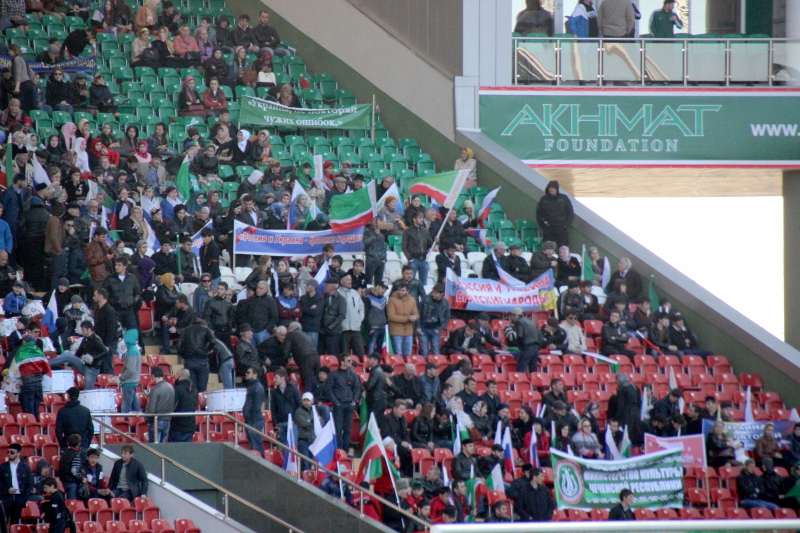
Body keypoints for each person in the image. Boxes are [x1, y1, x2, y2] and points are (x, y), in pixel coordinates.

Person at [0, 443, 32, 524]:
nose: (9, 454)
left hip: (19, 498)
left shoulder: (26, 467)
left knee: (15, 522)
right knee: (3, 522)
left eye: (12, 452)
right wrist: (7, 490)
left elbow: (29, 484)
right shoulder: (3, 467)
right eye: (8, 452)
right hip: (6, 498)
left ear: (18, 453)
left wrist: (25, 498)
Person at [55, 386, 94, 452]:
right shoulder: (86, 410)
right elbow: (91, 429)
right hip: (83, 444)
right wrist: (86, 443)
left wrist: (63, 445)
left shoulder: (62, 411)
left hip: (68, 444)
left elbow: (58, 431)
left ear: (68, 396)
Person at [535, 180, 573, 247]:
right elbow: (539, 214)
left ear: (557, 189)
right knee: (548, 248)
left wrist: (566, 225)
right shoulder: (544, 199)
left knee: (563, 247)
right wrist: (543, 226)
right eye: (550, 187)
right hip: (549, 228)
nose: (551, 189)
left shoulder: (563, 198)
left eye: (553, 188)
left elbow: (570, 212)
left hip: (561, 227)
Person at [387, 281, 419, 358]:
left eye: (403, 290)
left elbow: (416, 314)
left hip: (408, 332)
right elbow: (391, 316)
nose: (400, 292)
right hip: (396, 332)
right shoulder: (392, 300)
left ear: (407, 291)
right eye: (399, 290)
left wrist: (414, 317)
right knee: (398, 354)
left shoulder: (412, 300)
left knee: (408, 354)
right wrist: (407, 318)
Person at [505, 307, 540, 374]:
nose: (511, 318)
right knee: (533, 368)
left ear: (516, 315)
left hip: (527, 347)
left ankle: (517, 379)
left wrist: (520, 347)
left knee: (521, 367)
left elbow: (520, 336)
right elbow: (540, 337)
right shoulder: (532, 322)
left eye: (512, 316)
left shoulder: (519, 322)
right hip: (536, 347)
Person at [145, 367, 174, 443]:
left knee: (154, 446)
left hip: (157, 421)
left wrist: (148, 420)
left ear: (153, 376)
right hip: (167, 421)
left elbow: (151, 409)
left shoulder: (155, 389)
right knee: (162, 446)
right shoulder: (171, 387)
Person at [242, 366, 266, 453]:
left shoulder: (257, 387)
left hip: (254, 420)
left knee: (256, 446)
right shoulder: (251, 386)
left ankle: (260, 460)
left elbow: (257, 406)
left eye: (248, 372)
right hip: (250, 420)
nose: (246, 374)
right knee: (253, 446)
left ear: (255, 375)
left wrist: (250, 418)